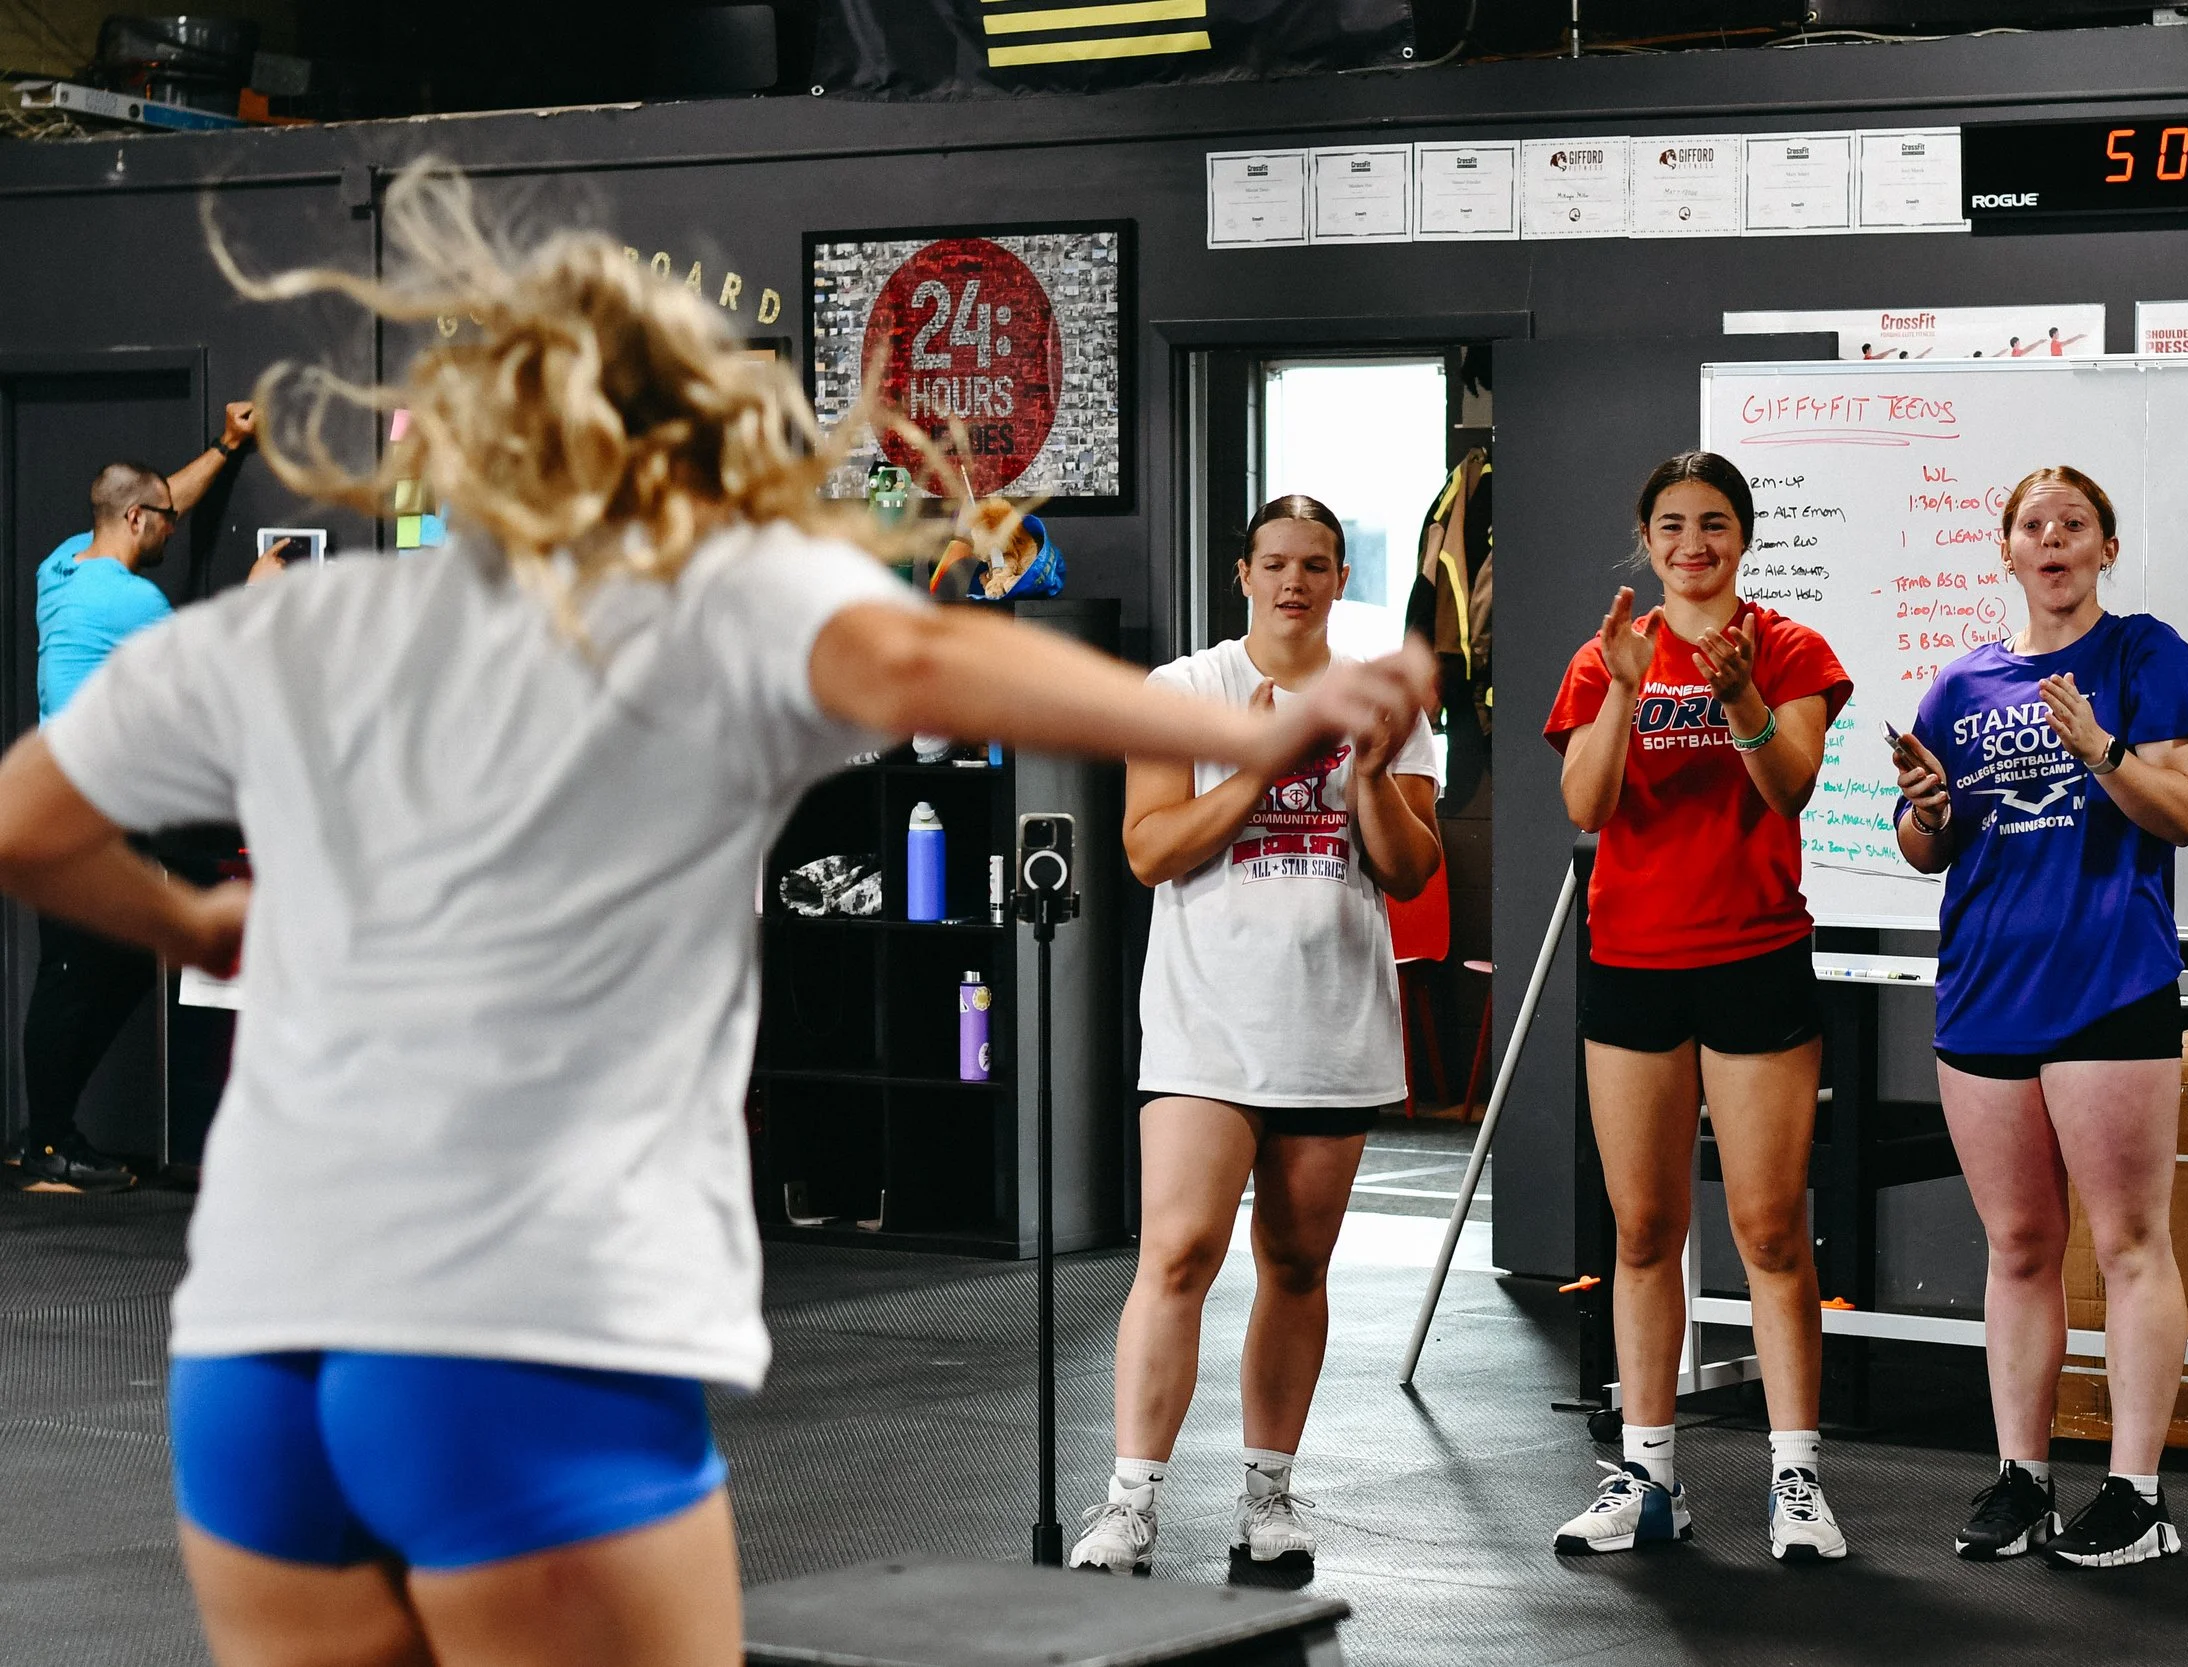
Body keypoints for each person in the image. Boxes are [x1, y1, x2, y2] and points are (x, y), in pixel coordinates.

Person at [0, 162, 1432, 1667]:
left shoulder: (291, 624)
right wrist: (1282, 729)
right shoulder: (701, 619)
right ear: (671, 442)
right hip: (524, 1339)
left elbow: (26, 821)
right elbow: (926, 667)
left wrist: (196, 924)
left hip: (252, 1352)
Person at [1067, 493, 1442, 1578]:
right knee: (1177, 1248)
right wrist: (1266, 762)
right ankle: (1129, 1502)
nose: (1294, 580)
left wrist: (1363, 767)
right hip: (1205, 1024)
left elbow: (1411, 870)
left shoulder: (1380, 700)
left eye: (1316, 564)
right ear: (1243, 573)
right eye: (1275, 561)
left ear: (1335, 578)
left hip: (1331, 1023)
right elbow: (1148, 850)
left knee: (1295, 1261)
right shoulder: (1183, 691)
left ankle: (1268, 1495)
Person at [1892, 464, 2188, 1569]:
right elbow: (1926, 845)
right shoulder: (1958, 688)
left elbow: (2181, 813)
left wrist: (2099, 748)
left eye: (2073, 523)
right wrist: (1923, 812)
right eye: (2032, 525)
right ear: (2007, 552)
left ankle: (2136, 1491)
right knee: (2018, 1243)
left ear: (2104, 547)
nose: (2053, 539)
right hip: (1984, 991)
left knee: (2126, 1242)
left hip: (2108, 984)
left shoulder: (2147, 656)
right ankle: (2021, 1476)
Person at [1543, 451, 1853, 1564]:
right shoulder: (1603, 654)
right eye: (1671, 523)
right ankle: (1649, 1473)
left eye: (1714, 522)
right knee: (1641, 1230)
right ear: (1647, 534)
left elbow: (1791, 786)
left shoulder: (1787, 649)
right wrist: (1626, 684)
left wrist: (1739, 698)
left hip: (1756, 953)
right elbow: (1586, 803)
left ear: (1743, 536)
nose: (1692, 542)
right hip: (1632, 958)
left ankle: (1797, 1478)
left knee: (1769, 1228)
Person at [11, 403, 255, 1193]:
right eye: (164, 526)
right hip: (86, 815)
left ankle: (47, 1136)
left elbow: (159, 498)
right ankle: (45, 1146)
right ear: (137, 520)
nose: (172, 536)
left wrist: (225, 447)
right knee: (74, 972)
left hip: (67, 807)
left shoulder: (62, 569)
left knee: (103, 966)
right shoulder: (132, 604)